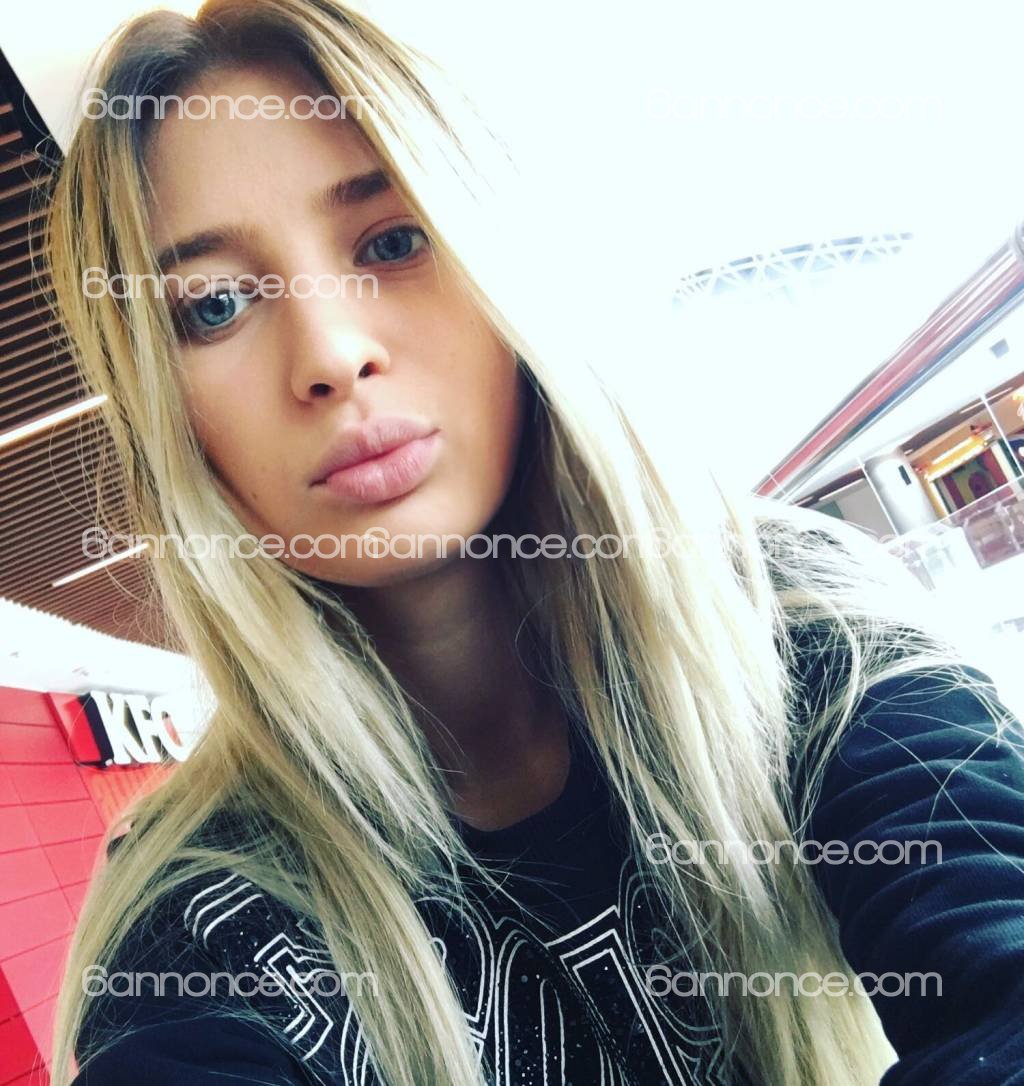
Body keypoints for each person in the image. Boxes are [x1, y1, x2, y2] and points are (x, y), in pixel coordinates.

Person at [44, 2, 1024, 1083]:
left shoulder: (804, 634)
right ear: (165, 417)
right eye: (215, 305)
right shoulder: (202, 921)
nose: (329, 353)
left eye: (393, 241)